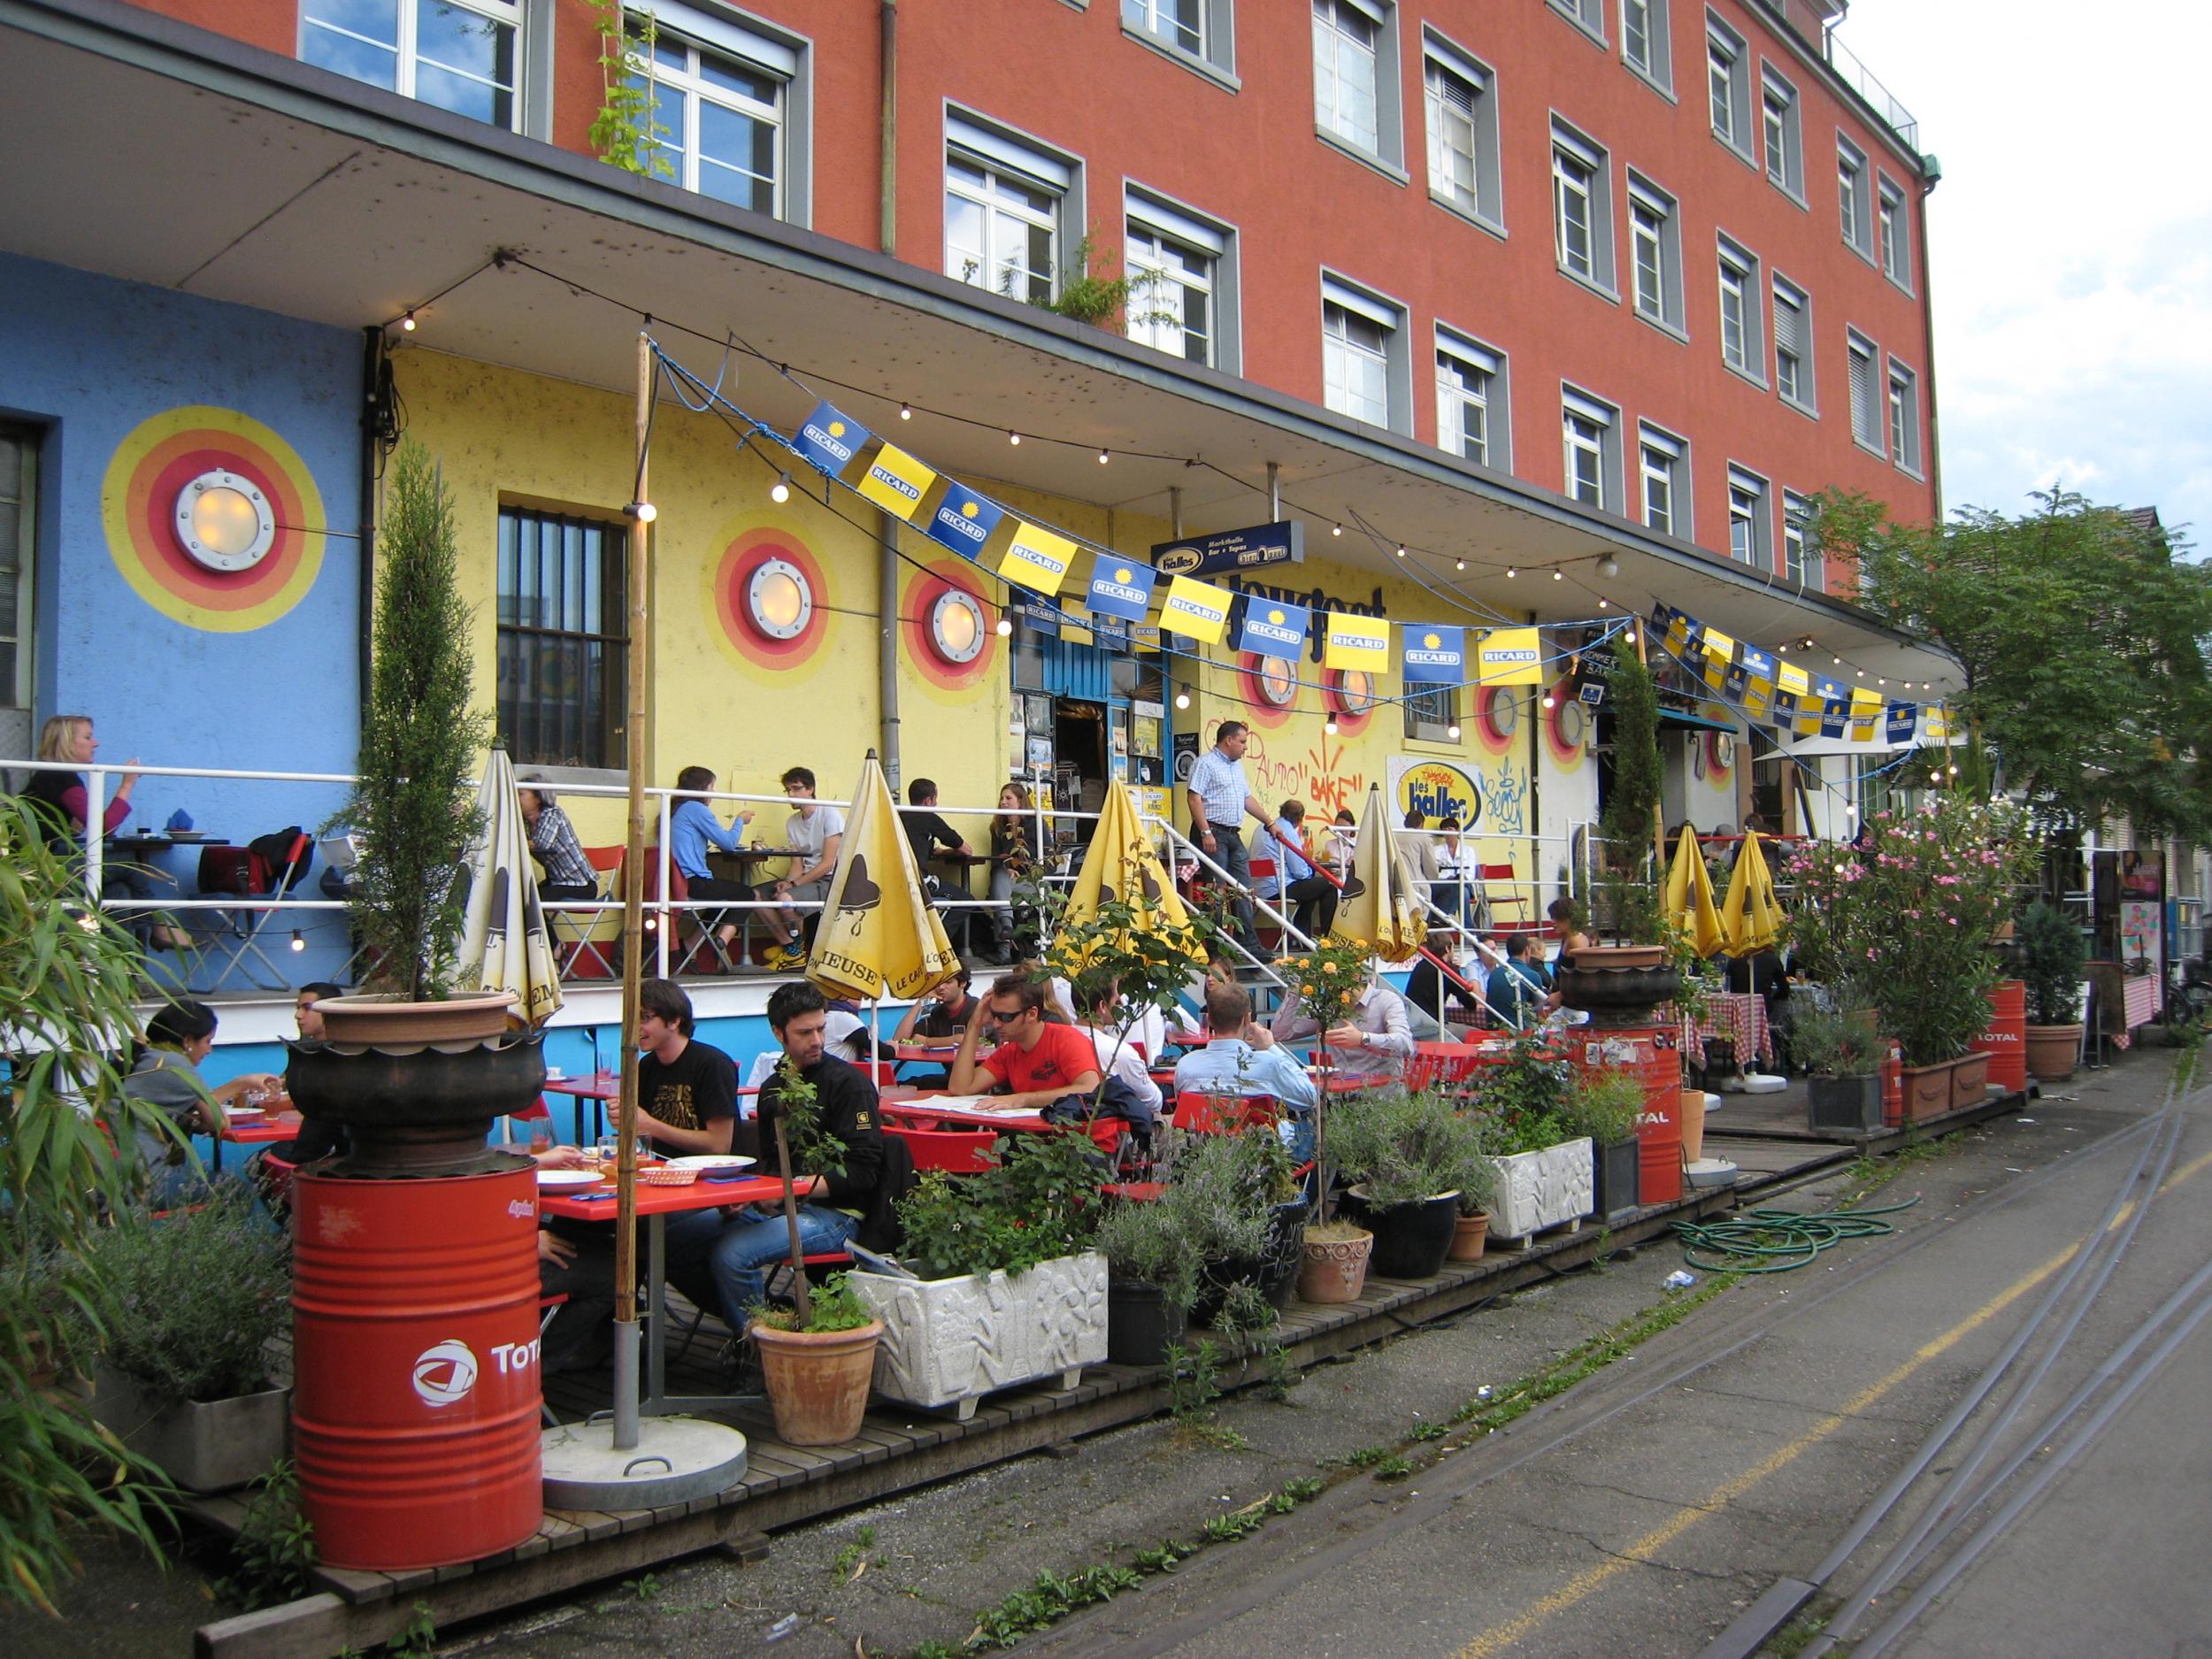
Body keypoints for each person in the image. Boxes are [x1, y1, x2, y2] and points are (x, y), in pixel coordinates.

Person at [709, 982, 910, 1335]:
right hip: (783, 1208)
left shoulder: (849, 1084)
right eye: (804, 1032)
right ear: (778, 1034)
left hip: (838, 1215)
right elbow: (771, 1163)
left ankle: (759, 1351)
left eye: (821, 1029)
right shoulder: (773, 1087)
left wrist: (788, 1189)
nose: (817, 1040)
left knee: (732, 1255)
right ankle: (773, 1318)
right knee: (684, 1235)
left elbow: (863, 1173)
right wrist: (751, 1196)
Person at [18, 714, 188, 949]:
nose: (96, 743)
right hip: (40, 872)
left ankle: (124, 978)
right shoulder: (60, 776)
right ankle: (159, 927)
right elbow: (104, 829)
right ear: (67, 742)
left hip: (48, 865)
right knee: (130, 866)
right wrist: (127, 784)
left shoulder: (53, 777)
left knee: (120, 893)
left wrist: (69, 825)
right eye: (88, 737)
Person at [120, 998, 283, 1206]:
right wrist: (240, 1083)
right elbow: (219, 1122)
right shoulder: (172, 1063)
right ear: (188, 1041)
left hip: (119, 1175)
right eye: (208, 1041)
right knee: (236, 1190)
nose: (209, 1050)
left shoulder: (149, 1057)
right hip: (143, 1181)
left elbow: (199, 1117)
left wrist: (194, 1118)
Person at [1173, 981, 1318, 1158]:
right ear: (1248, 1019)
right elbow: (1309, 1097)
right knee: (1309, 1117)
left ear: (1209, 1019)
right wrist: (1271, 1048)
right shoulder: (1268, 1063)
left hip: (1207, 1156)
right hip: (1264, 1159)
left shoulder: (1185, 1065)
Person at [949, 973, 1104, 1115]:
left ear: (1031, 1014)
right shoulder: (1009, 1052)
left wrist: (1022, 1099)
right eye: (994, 1015)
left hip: (1081, 1139)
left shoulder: (1067, 1040)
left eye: (1005, 1017)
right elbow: (960, 1088)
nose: (996, 1024)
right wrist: (975, 1024)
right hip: (1038, 1136)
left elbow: (1089, 1089)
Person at [1185, 721, 1272, 956]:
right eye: (1242, 741)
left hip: (1233, 833)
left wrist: (1269, 822)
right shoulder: (1205, 763)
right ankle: (1215, 949)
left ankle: (1249, 943)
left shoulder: (1236, 768)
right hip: (1213, 831)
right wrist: (1205, 832)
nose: (1245, 747)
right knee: (1217, 890)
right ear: (1229, 740)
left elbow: (1247, 799)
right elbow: (1194, 798)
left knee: (1244, 889)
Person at [755, 766, 844, 972]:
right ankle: (790, 947)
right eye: (787, 790)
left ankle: (796, 950)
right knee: (754, 895)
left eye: (796, 789)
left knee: (785, 900)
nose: (790, 795)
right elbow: (797, 863)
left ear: (810, 789)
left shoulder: (829, 813)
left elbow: (829, 863)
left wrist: (793, 886)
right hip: (806, 878)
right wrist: (788, 882)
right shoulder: (792, 822)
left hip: (831, 879)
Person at [668, 764, 756, 964]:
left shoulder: (678, 809)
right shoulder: (695, 808)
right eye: (712, 786)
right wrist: (740, 820)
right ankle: (722, 941)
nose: (714, 792)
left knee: (721, 903)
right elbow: (727, 844)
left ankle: (690, 944)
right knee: (747, 894)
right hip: (693, 882)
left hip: (677, 880)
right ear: (702, 788)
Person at [1271, 967, 1414, 1085]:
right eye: (1327, 984)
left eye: (1337, 984)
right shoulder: (1331, 1006)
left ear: (1356, 976)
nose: (1332, 989)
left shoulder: (1386, 1000)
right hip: (1341, 1093)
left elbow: (1406, 1045)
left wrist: (1362, 1039)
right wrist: (1295, 992)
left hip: (1381, 1092)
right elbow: (1280, 1034)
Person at [1254, 800, 1338, 941]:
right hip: (1278, 888)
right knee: (1327, 886)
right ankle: (1326, 938)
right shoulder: (1287, 831)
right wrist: (1310, 871)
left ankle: (1301, 937)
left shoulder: (1263, 827)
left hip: (1260, 888)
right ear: (1300, 819)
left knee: (1311, 888)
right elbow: (1299, 871)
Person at [987, 781, 1043, 964]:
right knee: (999, 877)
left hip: (1033, 883)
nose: (1003, 802)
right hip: (1008, 883)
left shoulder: (1036, 823)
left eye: (1008, 798)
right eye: (1002, 798)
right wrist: (1007, 867)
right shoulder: (998, 828)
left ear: (1020, 801)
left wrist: (1027, 872)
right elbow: (996, 861)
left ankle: (1003, 950)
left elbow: (1047, 859)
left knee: (999, 887)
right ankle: (1007, 927)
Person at [518, 775, 598, 902]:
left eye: (521, 794)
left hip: (580, 885)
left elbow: (543, 844)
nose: (516, 798)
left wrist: (520, 841)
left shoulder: (553, 814)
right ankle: (541, 923)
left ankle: (542, 924)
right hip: (558, 882)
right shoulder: (527, 822)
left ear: (538, 798)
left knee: (530, 900)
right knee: (522, 895)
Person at [892, 975, 980, 1087]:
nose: (941, 987)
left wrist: (928, 1042)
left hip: (979, 1077)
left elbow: (967, 1039)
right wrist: (921, 1002)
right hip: (952, 1077)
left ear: (963, 983)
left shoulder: (976, 1007)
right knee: (907, 1085)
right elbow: (900, 1040)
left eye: (948, 982)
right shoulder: (936, 1011)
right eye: (937, 983)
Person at [901, 778, 972, 892]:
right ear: (928, 801)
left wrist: (942, 852)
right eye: (935, 799)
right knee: (968, 902)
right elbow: (967, 851)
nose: (936, 804)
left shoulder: (899, 816)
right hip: (919, 882)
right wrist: (946, 852)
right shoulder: (928, 818)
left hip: (896, 881)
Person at [1485, 933, 1553, 1031]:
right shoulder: (1532, 975)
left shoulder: (1494, 973)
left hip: (1494, 1029)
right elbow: (1539, 1014)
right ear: (1527, 950)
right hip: (1519, 1031)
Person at [1394, 809, 1442, 913]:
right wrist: (1434, 877)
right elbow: (1431, 870)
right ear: (1421, 824)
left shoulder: (1393, 836)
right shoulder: (1423, 838)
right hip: (1416, 887)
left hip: (1394, 885)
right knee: (1451, 888)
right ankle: (1440, 921)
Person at [1548, 897, 1594, 965]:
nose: (1553, 921)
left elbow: (1584, 970)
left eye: (1558, 918)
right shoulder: (1567, 938)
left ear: (1569, 919)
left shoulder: (1576, 941)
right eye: (1552, 917)